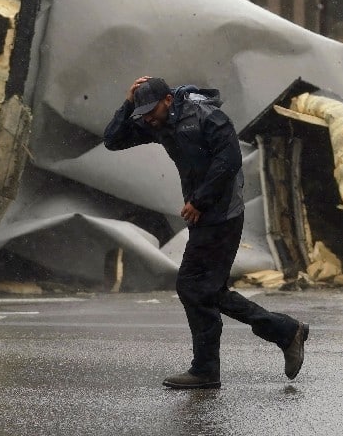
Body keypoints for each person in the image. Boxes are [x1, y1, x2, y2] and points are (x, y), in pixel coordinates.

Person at [103, 75, 309, 389]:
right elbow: (113, 140)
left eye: (151, 109)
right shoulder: (158, 122)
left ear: (168, 100)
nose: (147, 118)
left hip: (223, 212)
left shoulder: (206, 116)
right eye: (142, 112)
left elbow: (229, 161)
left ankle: (277, 333)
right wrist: (128, 103)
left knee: (199, 288)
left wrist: (200, 200)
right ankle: (216, 364)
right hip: (202, 214)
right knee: (200, 289)